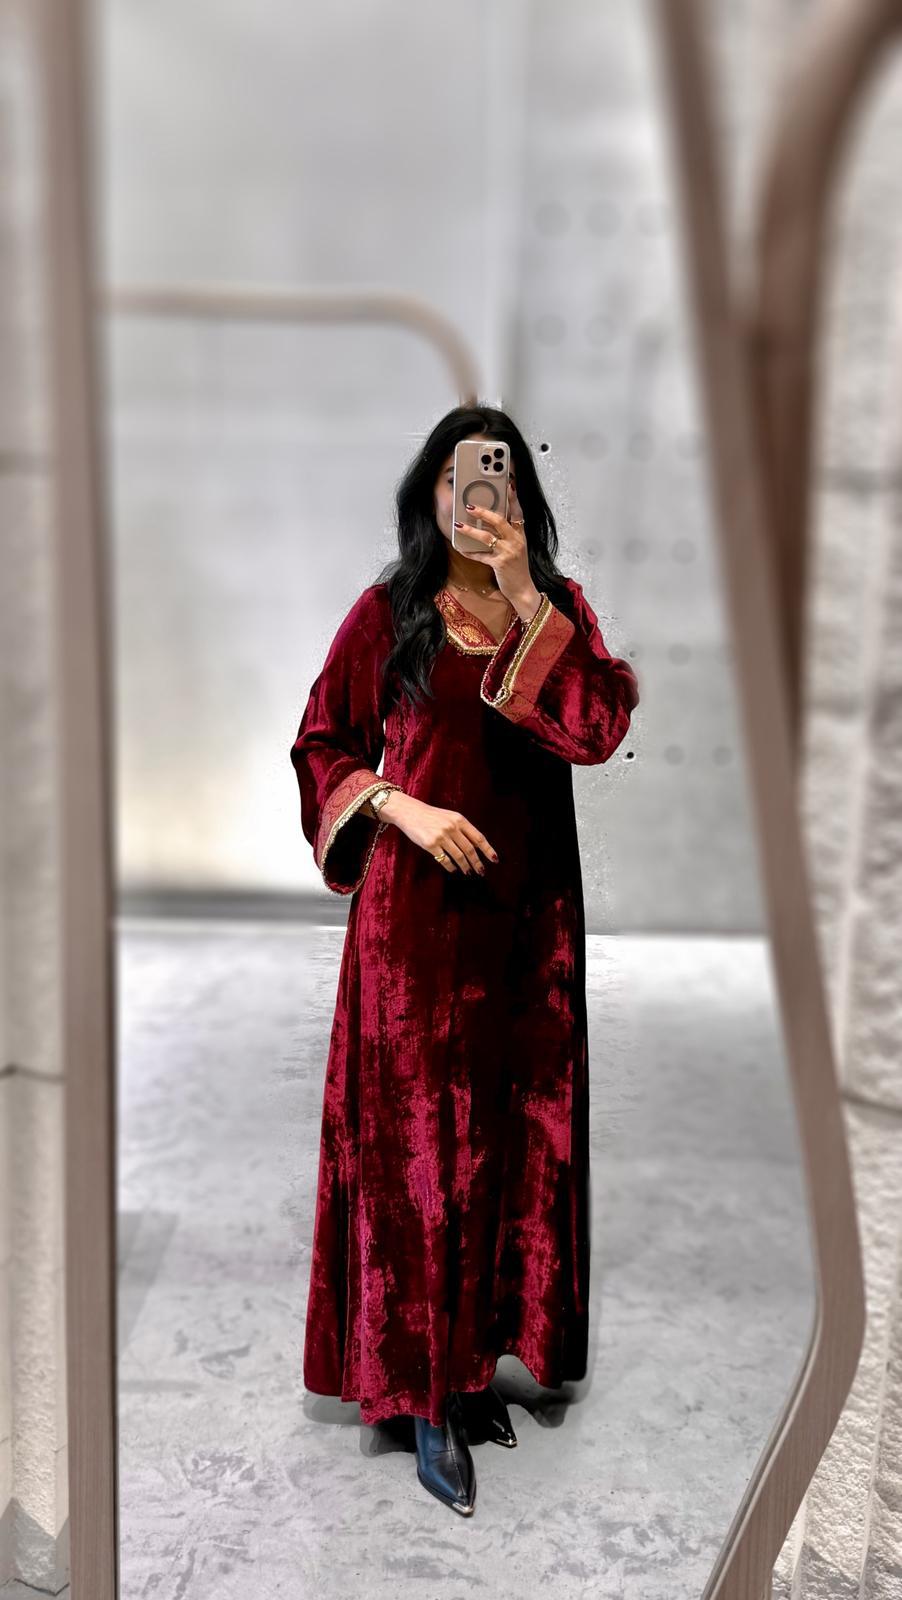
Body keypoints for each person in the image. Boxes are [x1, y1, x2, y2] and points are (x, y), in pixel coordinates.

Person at [289, 403, 640, 1517]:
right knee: (421, 1155)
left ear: (517, 495)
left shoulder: (557, 611)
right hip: (416, 935)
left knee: (509, 1143)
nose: (470, 495)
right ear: (429, 494)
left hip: (529, 930)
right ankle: (421, 1392)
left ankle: (474, 1363)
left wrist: (528, 592)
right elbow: (321, 741)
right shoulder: (388, 612)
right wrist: (402, 806)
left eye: (491, 474)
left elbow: (595, 729)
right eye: (452, 476)